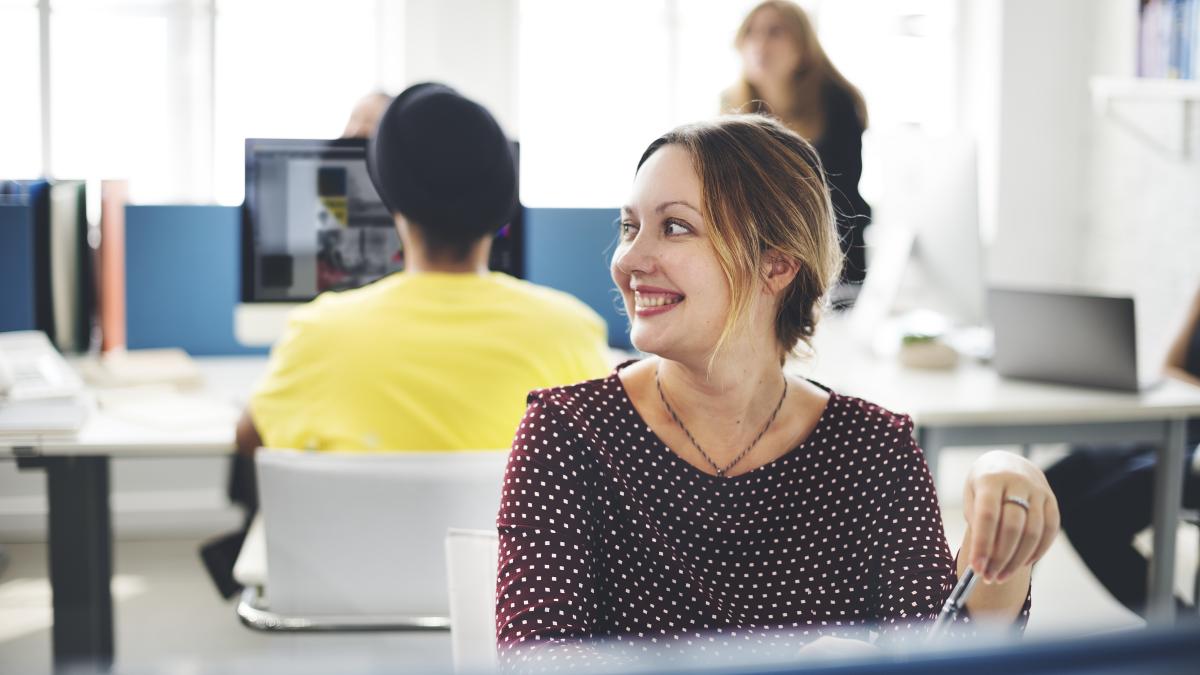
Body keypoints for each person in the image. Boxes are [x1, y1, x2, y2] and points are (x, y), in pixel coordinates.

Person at [495, 115, 1056, 666]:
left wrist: (1011, 511)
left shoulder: (874, 451)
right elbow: (538, 660)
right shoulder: (569, 433)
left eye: (674, 227)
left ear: (777, 265)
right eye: (629, 227)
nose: (630, 261)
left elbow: (941, 653)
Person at [200, 83, 610, 598]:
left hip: (347, 610)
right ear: (503, 204)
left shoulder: (320, 333)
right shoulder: (570, 330)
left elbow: (251, 439)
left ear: (389, 197)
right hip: (514, 611)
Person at [1044, 287, 1200, 615]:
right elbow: (1170, 368)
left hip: (1193, 451)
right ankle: (997, 620)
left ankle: (1176, 630)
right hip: (1183, 424)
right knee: (1050, 485)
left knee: (1092, 519)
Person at [722, 0, 871, 292]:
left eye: (775, 32)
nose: (760, 43)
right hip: (760, 266)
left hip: (833, 259)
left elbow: (839, 198)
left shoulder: (837, 103)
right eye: (751, 32)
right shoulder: (731, 108)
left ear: (802, 47)